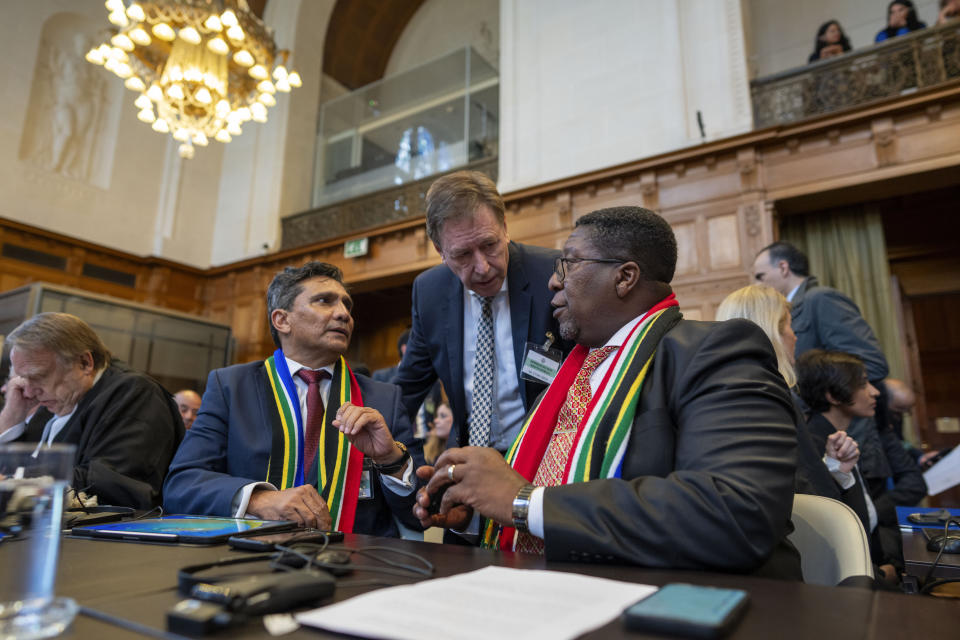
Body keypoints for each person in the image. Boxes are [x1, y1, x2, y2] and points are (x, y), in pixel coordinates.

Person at [414, 207, 801, 578]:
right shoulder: (574, 371)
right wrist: (482, 509)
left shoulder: (717, 351)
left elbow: (734, 513)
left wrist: (522, 502)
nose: (553, 280)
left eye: (569, 263)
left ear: (625, 277)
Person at [163, 262, 424, 537]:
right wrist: (257, 499)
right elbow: (181, 484)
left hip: (360, 564)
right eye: (324, 301)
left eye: (347, 305)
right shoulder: (231, 387)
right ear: (282, 320)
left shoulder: (384, 397)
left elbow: (421, 513)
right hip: (253, 560)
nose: (343, 314)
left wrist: (390, 460)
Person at [393, 170, 567, 453]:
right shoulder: (430, 292)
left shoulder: (552, 275)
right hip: (469, 458)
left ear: (505, 227)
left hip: (543, 456)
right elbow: (406, 392)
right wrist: (406, 462)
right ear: (440, 250)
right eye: (463, 254)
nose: (483, 267)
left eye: (490, 245)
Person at [0, 313, 183, 508]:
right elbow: (14, 464)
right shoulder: (54, 398)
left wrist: (14, 479)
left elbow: (109, 484)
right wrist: (11, 418)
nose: (28, 390)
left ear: (85, 363)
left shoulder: (134, 393)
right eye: (22, 379)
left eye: (39, 376)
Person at [716, 284, 849, 500]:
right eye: (790, 325)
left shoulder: (726, 391)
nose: (795, 336)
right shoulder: (771, 393)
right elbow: (802, 484)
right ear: (772, 332)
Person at [796, 349, 909, 584]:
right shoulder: (815, 447)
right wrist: (878, 574)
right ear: (833, 396)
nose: (875, 392)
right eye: (864, 383)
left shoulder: (836, 436)